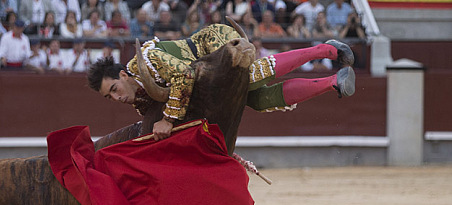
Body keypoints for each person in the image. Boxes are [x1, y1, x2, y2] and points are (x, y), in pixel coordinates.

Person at [87, 23, 355, 141]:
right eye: (109, 97)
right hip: (209, 78)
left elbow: (186, 75)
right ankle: (333, 81)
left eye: (113, 89)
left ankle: (327, 50)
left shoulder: (147, 58)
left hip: (213, 44)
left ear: (122, 75)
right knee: (258, 100)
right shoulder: (141, 100)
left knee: (249, 77)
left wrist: (168, 120)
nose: (116, 97)